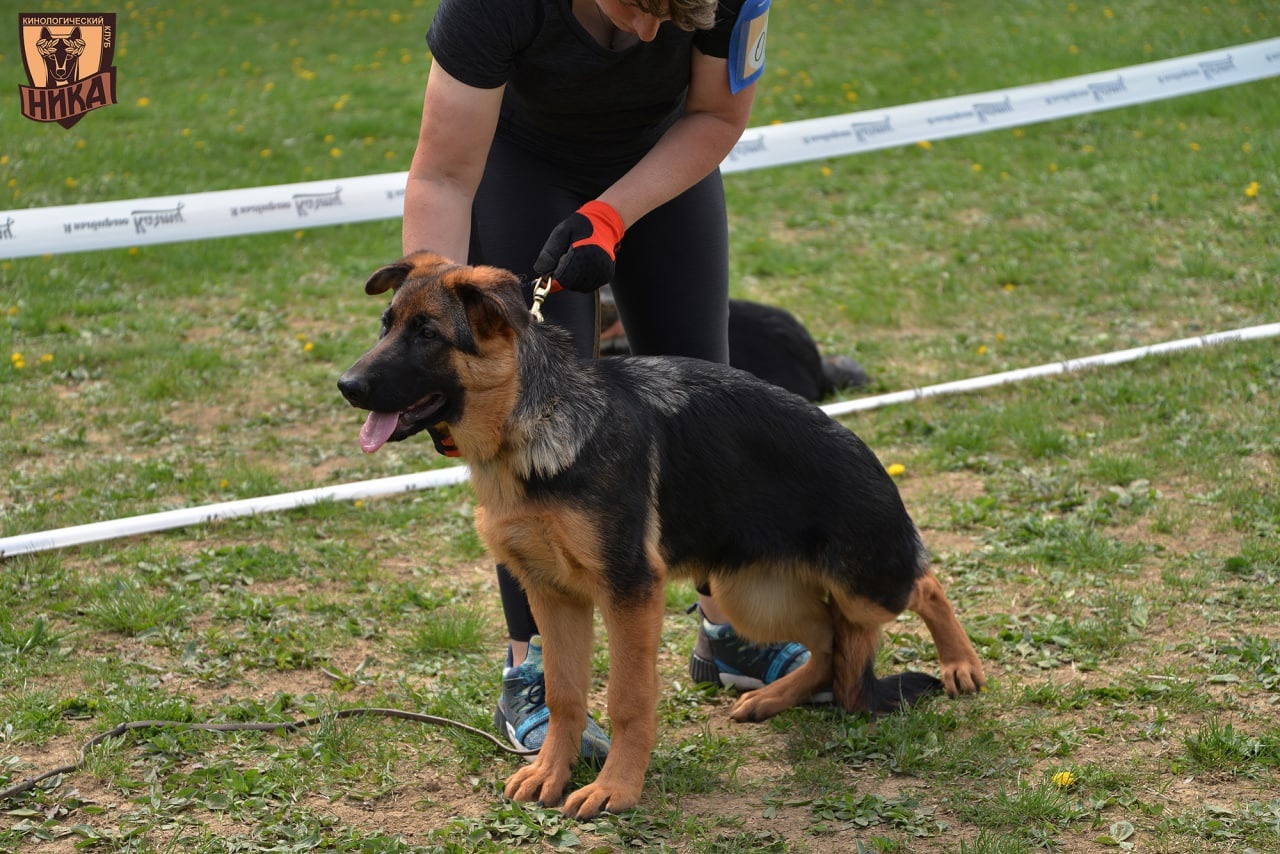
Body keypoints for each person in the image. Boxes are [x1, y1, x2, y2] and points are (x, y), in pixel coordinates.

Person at [401, 0, 816, 760]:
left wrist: (612, 216)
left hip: (664, 156)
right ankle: (528, 675)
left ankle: (728, 634)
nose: (651, 35)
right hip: (521, 167)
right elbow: (444, 173)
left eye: (677, 16)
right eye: (637, 8)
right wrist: (437, 334)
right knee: (535, 417)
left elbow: (717, 117)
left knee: (704, 398)